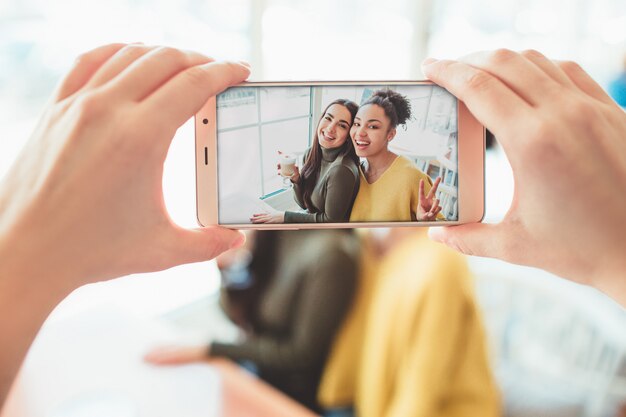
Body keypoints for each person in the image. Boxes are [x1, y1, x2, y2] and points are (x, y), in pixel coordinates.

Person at [1, 44, 626, 410]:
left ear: (388, 137)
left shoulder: (395, 236)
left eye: (364, 125)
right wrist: (240, 257)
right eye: (341, 123)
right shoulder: (336, 206)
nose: (349, 132)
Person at [144, 230, 360, 413]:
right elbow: (234, 314)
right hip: (257, 369)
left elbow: (300, 355)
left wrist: (212, 349)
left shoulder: (331, 256)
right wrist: (228, 266)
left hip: (292, 392)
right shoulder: (274, 232)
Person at [250, 99, 360, 223]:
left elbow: (330, 222)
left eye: (342, 125)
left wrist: (285, 217)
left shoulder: (341, 170)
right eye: (328, 118)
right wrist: (296, 180)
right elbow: (304, 205)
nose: (330, 128)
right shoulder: (311, 153)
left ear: (349, 135)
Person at [348, 89, 444, 222]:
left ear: (390, 135)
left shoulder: (410, 176)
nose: (360, 132)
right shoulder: (354, 172)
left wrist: (427, 222)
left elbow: (443, 228)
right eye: (357, 124)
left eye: (373, 127)